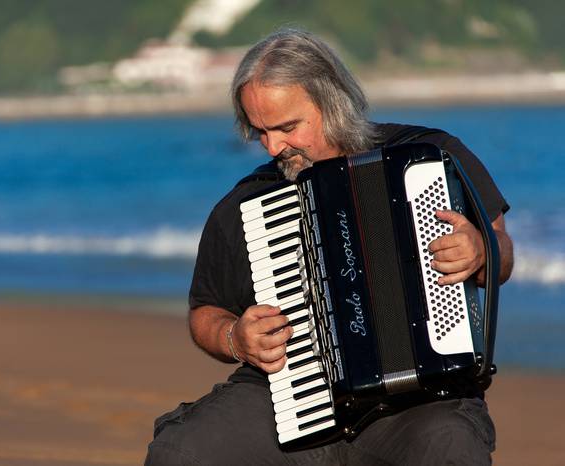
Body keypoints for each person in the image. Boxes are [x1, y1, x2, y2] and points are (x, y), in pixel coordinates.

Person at [145, 28, 514, 466]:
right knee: (181, 451)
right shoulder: (247, 203)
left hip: (421, 403)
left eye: (287, 127)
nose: (273, 146)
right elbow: (205, 311)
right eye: (259, 131)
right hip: (288, 399)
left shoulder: (431, 155)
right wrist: (236, 338)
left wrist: (481, 252)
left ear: (332, 101)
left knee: (453, 450)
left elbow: (502, 252)